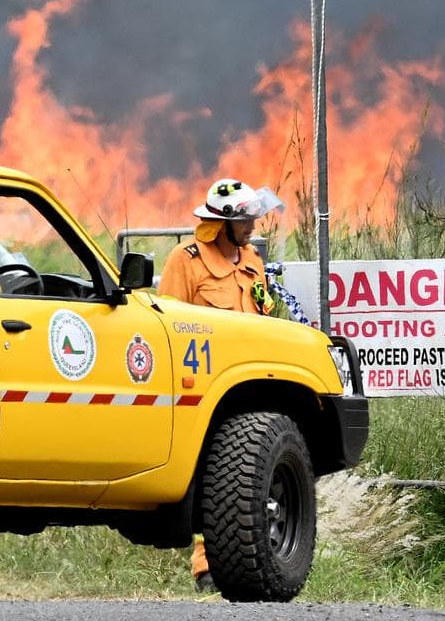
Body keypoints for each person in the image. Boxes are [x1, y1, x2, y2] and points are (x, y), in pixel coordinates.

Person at [157, 178, 284, 593]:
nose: (253, 225)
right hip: (202, 388)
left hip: (251, 388)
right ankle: (206, 566)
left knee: (251, 482)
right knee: (209, 478)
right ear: (222, 223)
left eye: (254, 216)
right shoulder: (186, 260)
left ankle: (254, 562)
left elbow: (262, 318)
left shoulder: (251, 261)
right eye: (245, 219)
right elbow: (167, 323)